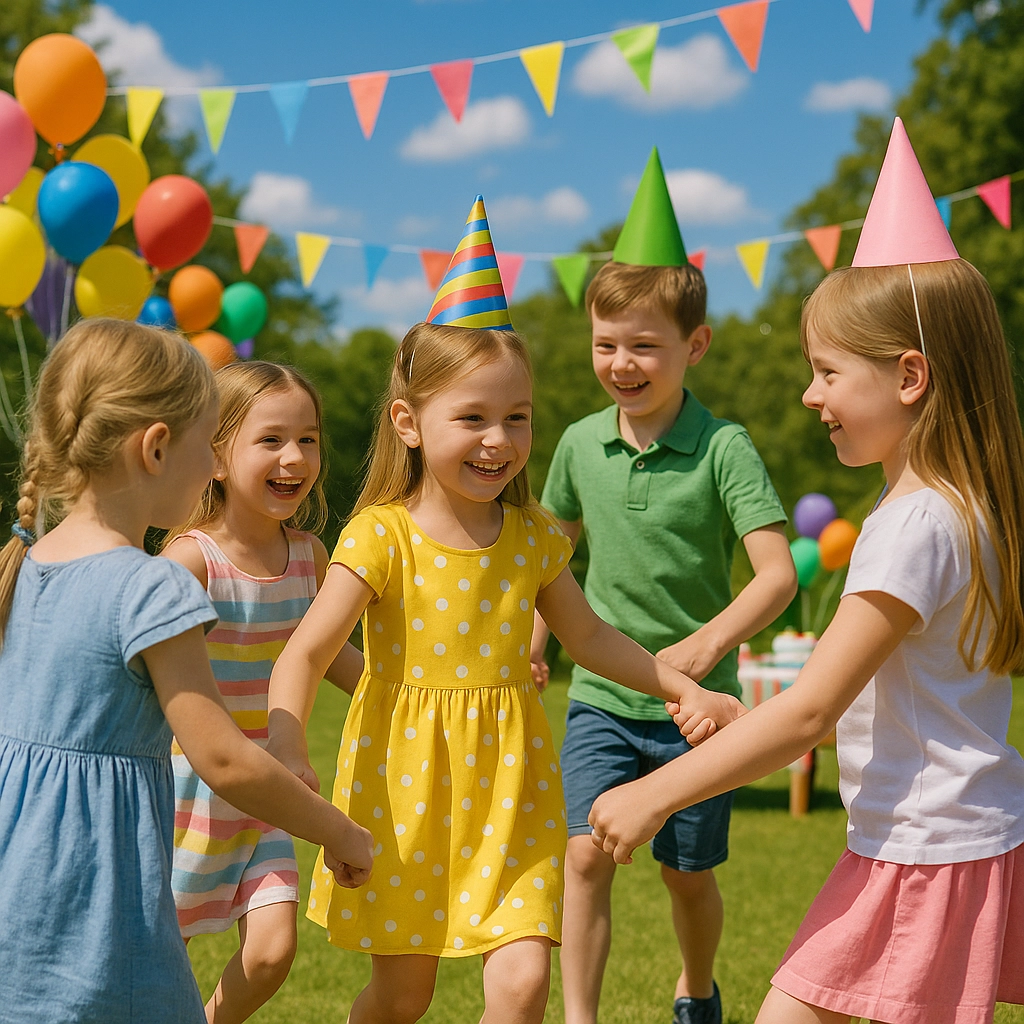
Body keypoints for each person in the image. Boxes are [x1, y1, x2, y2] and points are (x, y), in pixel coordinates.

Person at [266, 197, 743, 1024]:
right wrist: (284, 740)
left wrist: (678, 685)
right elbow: (306, 653)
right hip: (401, 788)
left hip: (512, 789)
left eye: (516, 418)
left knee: (522, 984)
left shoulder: (529, 539)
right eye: (473, 418)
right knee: (403, 995)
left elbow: (589, 635)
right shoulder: (380, 536)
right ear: (410, 424)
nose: (499, 440)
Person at [589, 119, 1024, 1024]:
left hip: (925, 853)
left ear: (909, 376)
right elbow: (880, 707)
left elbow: (816, 709)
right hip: (953, 838)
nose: (808, 396)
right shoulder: (962, 508)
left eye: (826, 372)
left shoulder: (913, 525)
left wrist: (653, 792)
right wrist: (742, 716)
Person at [0, 320, 373, 1024]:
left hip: (21, 884)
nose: (210, 467)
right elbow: (226, 760)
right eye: (209, 444)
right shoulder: (155, 585)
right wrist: (339, 832)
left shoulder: (27, 564)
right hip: (107, 892)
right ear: (157, 447)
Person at [531, 148, 796, 1024]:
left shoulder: (726, 448)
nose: (623, 363)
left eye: (645, 345)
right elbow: (549, 556)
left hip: (701, 713)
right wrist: (537, 642)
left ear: (695, 345)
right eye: (606, 345)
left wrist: (705, 649)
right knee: (582, 858)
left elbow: (778, 575)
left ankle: (698, 989)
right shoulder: (573, 444)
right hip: (603, 696)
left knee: (688, 877)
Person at [164, 361, 365, 1024]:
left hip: (271, 788)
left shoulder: (310, 556)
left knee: (273, 953)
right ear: (217, 456)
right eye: (272, 439)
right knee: (162, 950)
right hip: (186, 794)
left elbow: (329, 656)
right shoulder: (189, 561)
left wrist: (416, 694)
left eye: (308, 439)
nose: (294, 457)